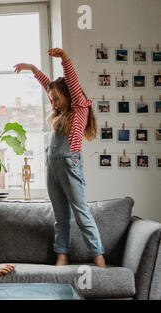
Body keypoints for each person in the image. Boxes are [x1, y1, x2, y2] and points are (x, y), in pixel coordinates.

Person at [13, 48, 106, 268]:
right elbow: (49, 86)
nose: (52, 103)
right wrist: (33, 69)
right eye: (51, 99)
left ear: (70, 95)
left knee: (81, 213)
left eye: (56, 99)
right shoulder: (59, 113)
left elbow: (71, 82)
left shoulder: (79, 109)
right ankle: (61, 255)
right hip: (52, 168)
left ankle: (99, 257)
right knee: (60, 216)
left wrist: (65, 59)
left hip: (69, 165)